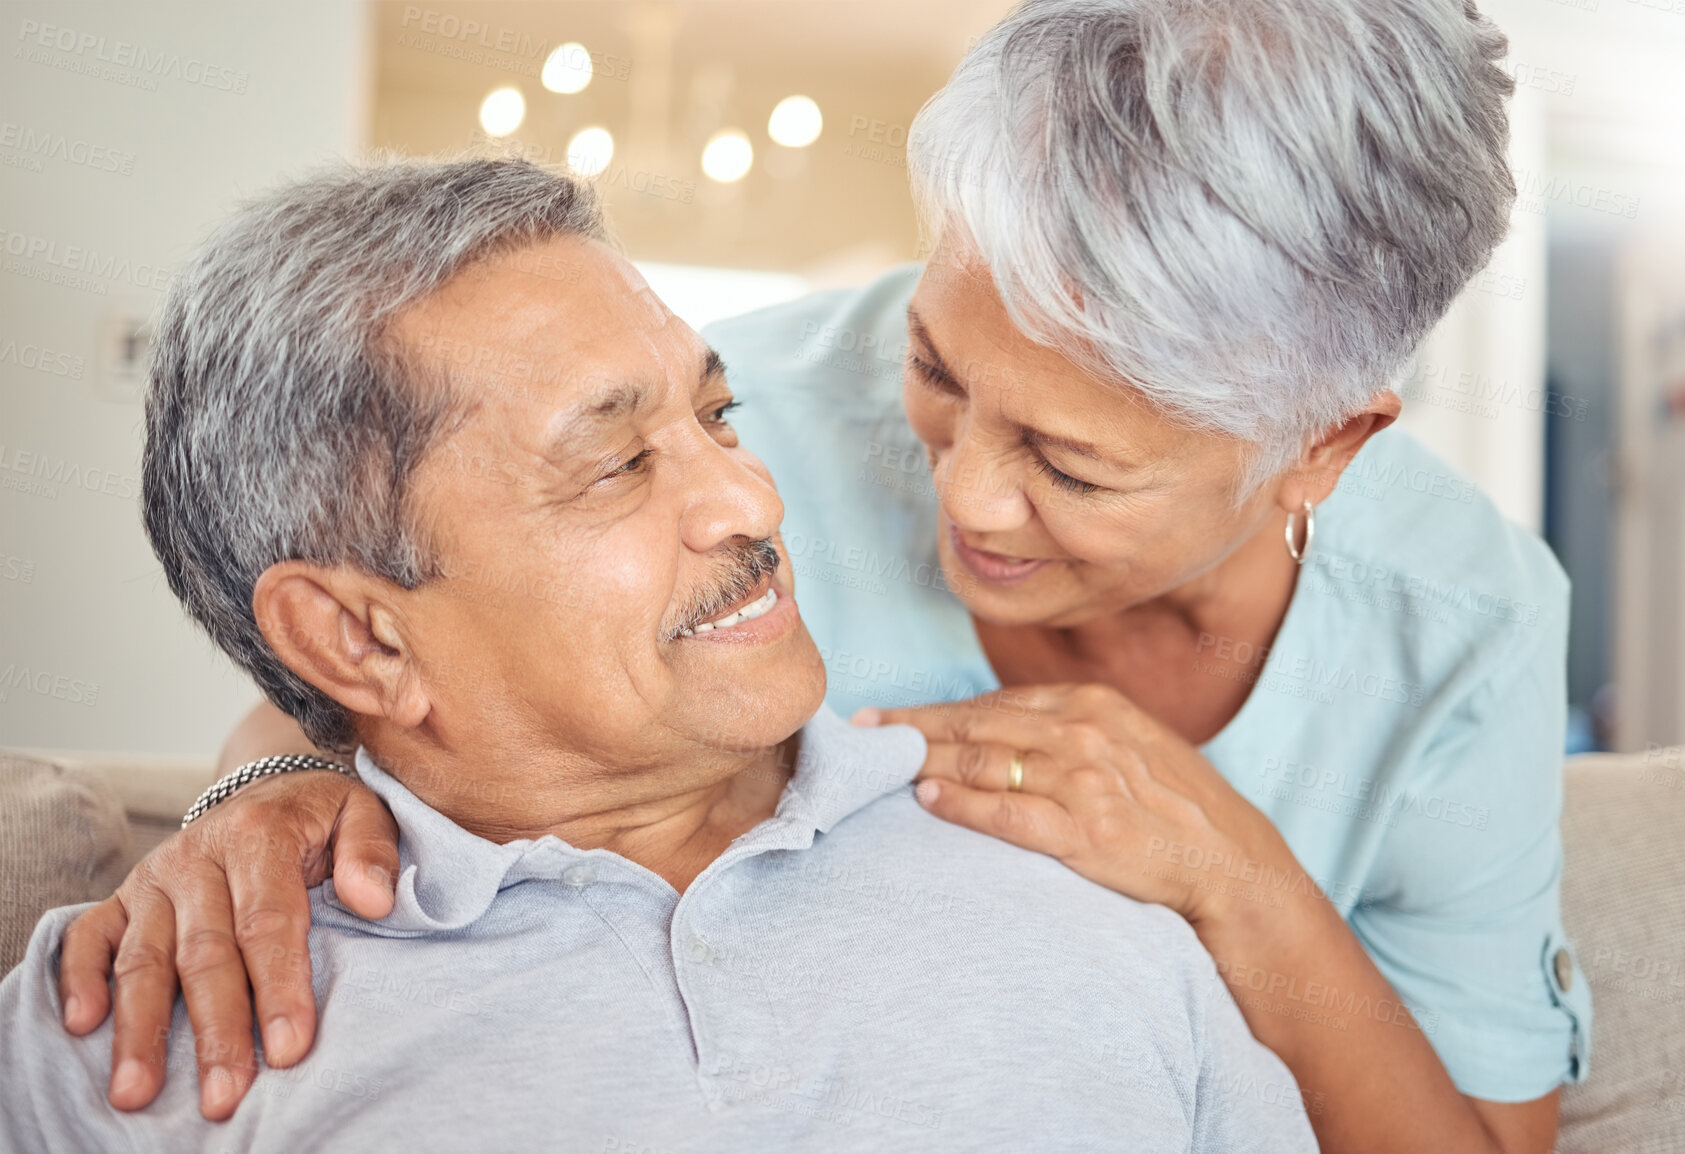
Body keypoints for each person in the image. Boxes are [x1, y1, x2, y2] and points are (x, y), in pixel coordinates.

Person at [56, 1, 1590, 1152]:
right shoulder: (733, 416)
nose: (963, 493)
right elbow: (389, 638)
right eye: (933, 364)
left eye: (1069, 462)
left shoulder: (1458, 622)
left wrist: (1227, 870)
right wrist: (254, 798)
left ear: (1319, 447)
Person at [0, 158, 1318, 1153]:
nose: (750, 500)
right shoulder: (137, 1022)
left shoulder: (1071, 862)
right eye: (618, 461)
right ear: (358, 635)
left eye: (716, 413)